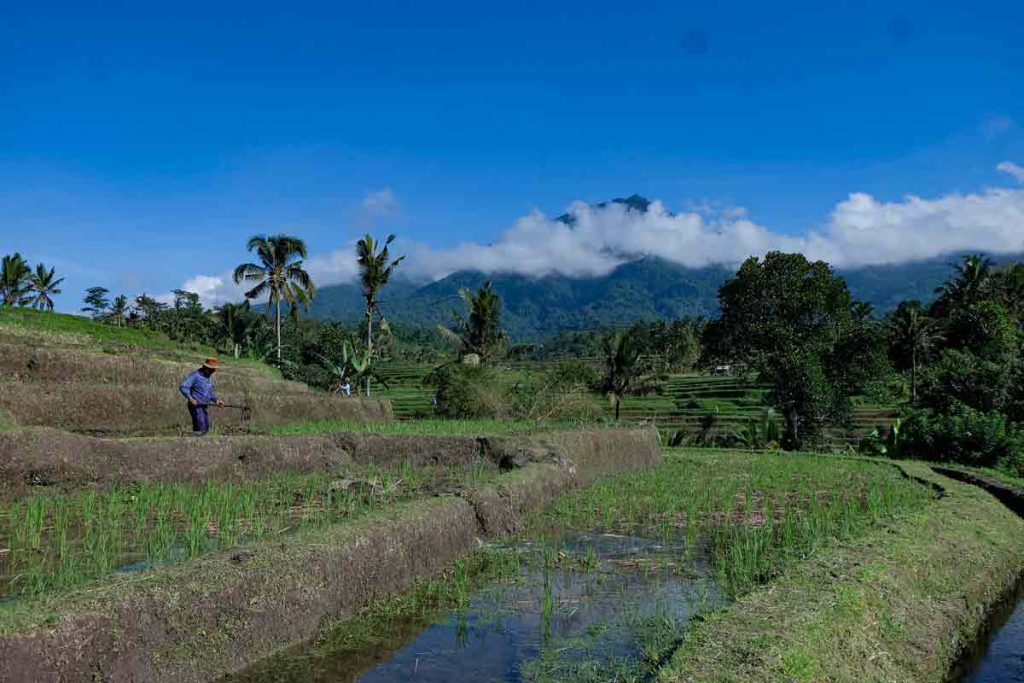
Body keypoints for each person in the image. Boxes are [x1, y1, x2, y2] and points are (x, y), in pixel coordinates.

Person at [180, 357, 224, 435]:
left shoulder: (208, 379)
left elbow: (209, 394)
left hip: (204, 405)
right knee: (201, 425)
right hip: (196, 405)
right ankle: (195, 442)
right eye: (212, 370)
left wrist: (216, 400)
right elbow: (183, 386)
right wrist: (190, 398)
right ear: (206, 368)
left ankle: (195, 440)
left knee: (206, 426)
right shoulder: (195, 376)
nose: (213, 372)